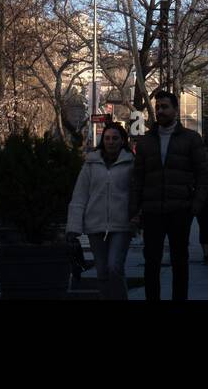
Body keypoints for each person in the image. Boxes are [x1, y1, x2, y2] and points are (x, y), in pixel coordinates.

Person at [129, 89, 208, 301]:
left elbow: (203, 175)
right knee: (151, 263)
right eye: (158, 107)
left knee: (180, 262)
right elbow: (138, 178)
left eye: (165, 107)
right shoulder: (146, 141)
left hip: (180, 210)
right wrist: (135, 209)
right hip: (153, 210)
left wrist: (195, 206)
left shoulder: (191, 139)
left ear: (175, 109)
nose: (160, 111)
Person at [66, 121, 134, 300]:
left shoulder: (130, 164)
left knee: (114, 267)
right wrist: (73, 226)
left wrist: (137, 217)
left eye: (115, 138)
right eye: (107, 138)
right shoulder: (91, 163)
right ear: (102, 140)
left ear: (122, 141)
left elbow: (136, 193)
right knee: (102, 271)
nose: (111, 142)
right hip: (95, 225)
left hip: (121, 225)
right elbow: (80, 195)